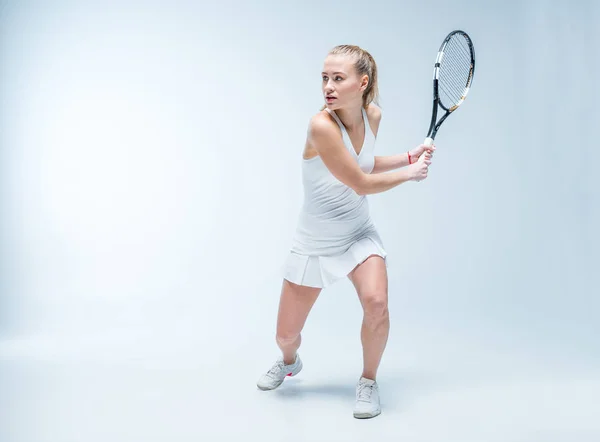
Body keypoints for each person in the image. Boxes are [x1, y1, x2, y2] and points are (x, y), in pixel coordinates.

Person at [256, 44, 434, 419]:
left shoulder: (373, 115)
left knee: (376, 304)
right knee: (285, 336)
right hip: (314, 243)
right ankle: (289, 361)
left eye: (338, 78)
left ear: (362, 83)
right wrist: (410, 174)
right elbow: (360, 181)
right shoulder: (321, 125)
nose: (328, 86)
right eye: (325, 78)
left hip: (357, 234)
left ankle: (368, 381)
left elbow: (364, 161)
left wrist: (407, 156)